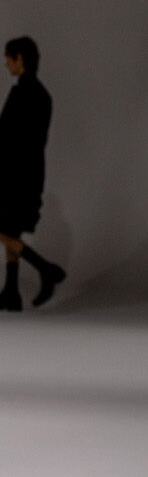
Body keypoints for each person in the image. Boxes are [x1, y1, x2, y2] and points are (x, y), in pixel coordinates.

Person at [0, 36, 66, 310]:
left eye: (8, 58)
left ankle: (45, 268)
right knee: (10, 228)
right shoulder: (43, 95)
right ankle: (11, 292)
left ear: (20, 59)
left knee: (5, 228)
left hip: (13, 173)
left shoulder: (20, 94)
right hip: (32, 172)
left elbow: (5, 136)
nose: (6, 64)